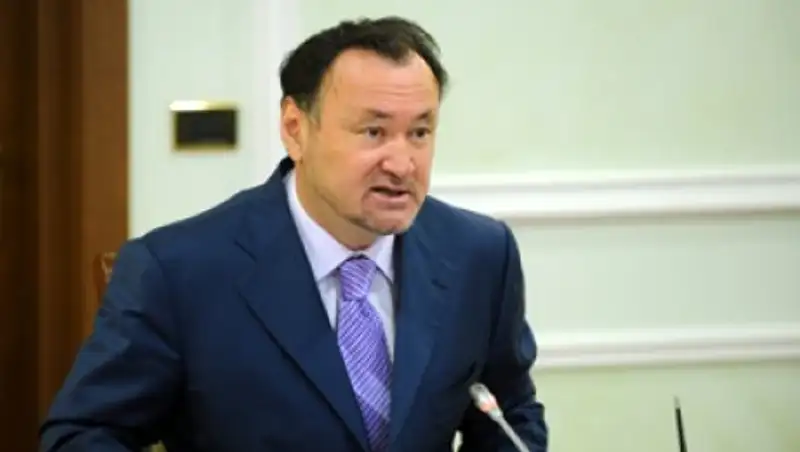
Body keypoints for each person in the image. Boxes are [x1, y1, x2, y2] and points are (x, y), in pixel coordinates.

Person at [40, 16, 548, 452]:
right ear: (295, 129)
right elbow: (83, 435)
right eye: (373, 132)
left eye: (420, 132)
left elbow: (509, 414)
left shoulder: (479, 254)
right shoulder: (178, 271)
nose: (402, 163)